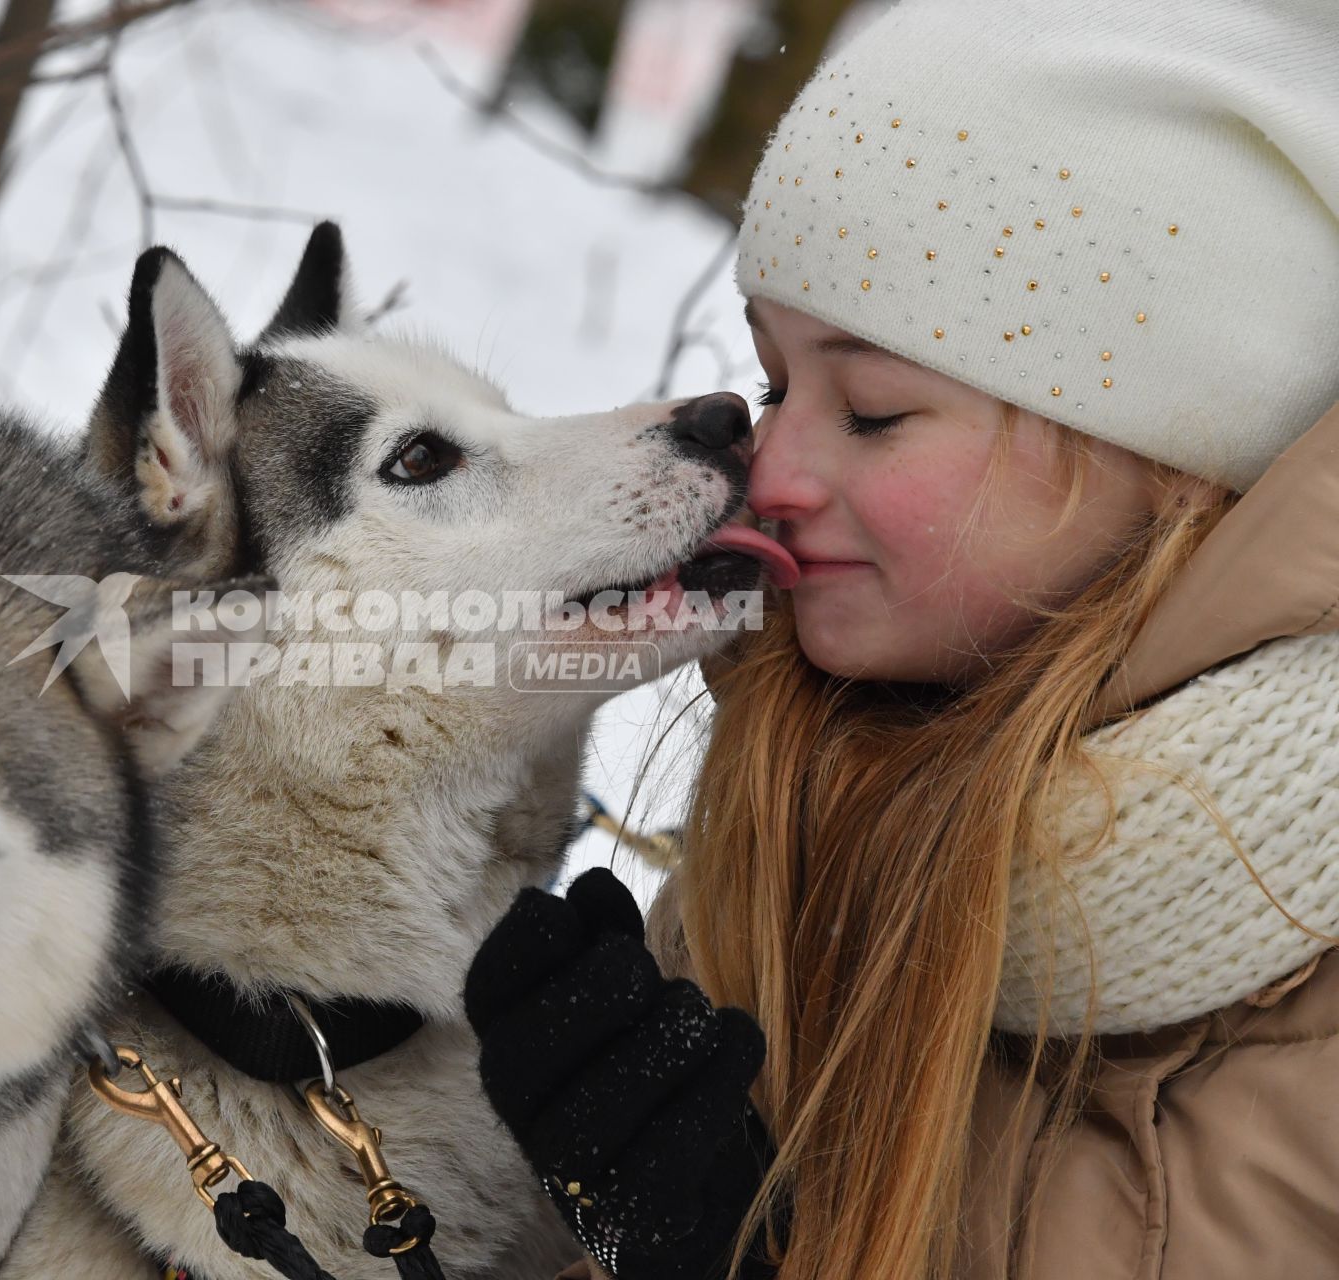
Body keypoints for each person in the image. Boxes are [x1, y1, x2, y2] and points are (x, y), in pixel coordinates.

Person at [463, 0, 1339, 1276]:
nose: (775, 464)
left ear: (1175, 459)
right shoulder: (800, 788)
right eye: (774, 385)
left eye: (871, 408)